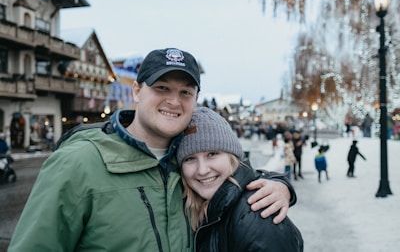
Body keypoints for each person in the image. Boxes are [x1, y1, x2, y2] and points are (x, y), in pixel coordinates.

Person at [8, 48, 296, 251]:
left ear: (196, 99)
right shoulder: (79, 162)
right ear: (136, 91)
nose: (174, 100)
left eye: (185, 92)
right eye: (161, 87)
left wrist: (279, 184)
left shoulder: (186, 161)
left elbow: (232, 178)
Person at [177, 107, 303, 252]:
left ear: (232, 158)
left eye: (212, 154)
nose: (202, 170)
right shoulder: (198, 206)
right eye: (190, 158)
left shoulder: (257, 215)